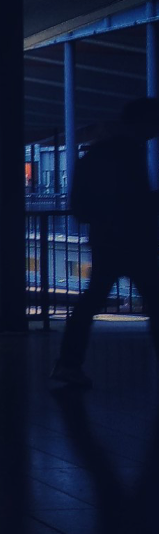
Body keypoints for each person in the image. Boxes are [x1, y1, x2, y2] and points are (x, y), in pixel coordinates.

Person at [53, 97, 159, 388]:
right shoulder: (128, 153)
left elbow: (83, 203)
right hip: (133, 240)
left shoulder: (98, 153)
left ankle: (68, 364)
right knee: (154, 299)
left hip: (107, 239)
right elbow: (133, 200)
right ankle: (68, 364)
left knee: (91, 302)